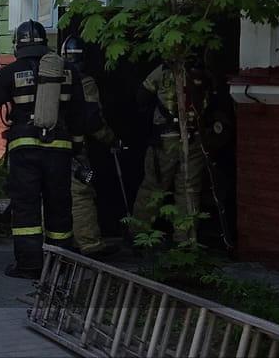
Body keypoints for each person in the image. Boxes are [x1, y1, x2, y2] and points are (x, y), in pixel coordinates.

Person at [0, 20, 87, 279]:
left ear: (18, 45)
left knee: (26, 207)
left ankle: (29, 265)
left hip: (24, 148)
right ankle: (60, 264)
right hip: (60, 148)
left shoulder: (13, 70)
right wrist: (77, 146)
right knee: (59, 206)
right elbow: (80, 114)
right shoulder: (69, 70)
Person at [132, 60, 207, 243]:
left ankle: (139, 234)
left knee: (153, 188)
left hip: (166, 138)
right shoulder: (202, 71)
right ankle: (185, 239)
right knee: (188, 190)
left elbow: (141, 96)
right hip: (194, 138)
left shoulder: (164, 70)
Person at [61, 36, 120, 259]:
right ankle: (89, 243)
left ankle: (57, 243)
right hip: (74, 148)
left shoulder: (50, 78)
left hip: (46, 146)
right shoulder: (85, 82)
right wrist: (110, 139)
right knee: (81, 194)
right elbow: (92, 120)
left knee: (52, 193)